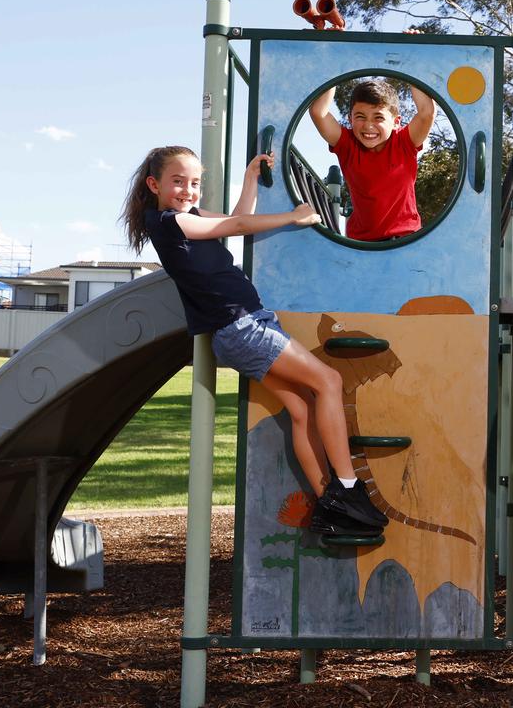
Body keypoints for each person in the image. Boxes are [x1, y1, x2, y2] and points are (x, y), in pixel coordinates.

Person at [121, 145, 389, 537]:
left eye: (194, 183)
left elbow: (236, 218)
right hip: (242, 328)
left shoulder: (187, 217)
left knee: (301, 408)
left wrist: (250, 179)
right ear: (154, 184)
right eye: (177, 182)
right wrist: (295, 216)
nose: (187, 190)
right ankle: (347, 488)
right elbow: (237, 229)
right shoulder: (167, 222)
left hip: (240, 330)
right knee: (329, 381)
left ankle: (329, 506)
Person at [308, 79, 436, 241]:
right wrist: (335, 73)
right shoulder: (348, 145)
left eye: (378, 118)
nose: (368, 126)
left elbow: (427, 113)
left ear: (396, 122)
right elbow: (318, 113)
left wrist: (411, 67)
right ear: (350, 119)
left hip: (404, 238)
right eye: (360, 117)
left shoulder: (404, 142)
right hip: (362, 242)